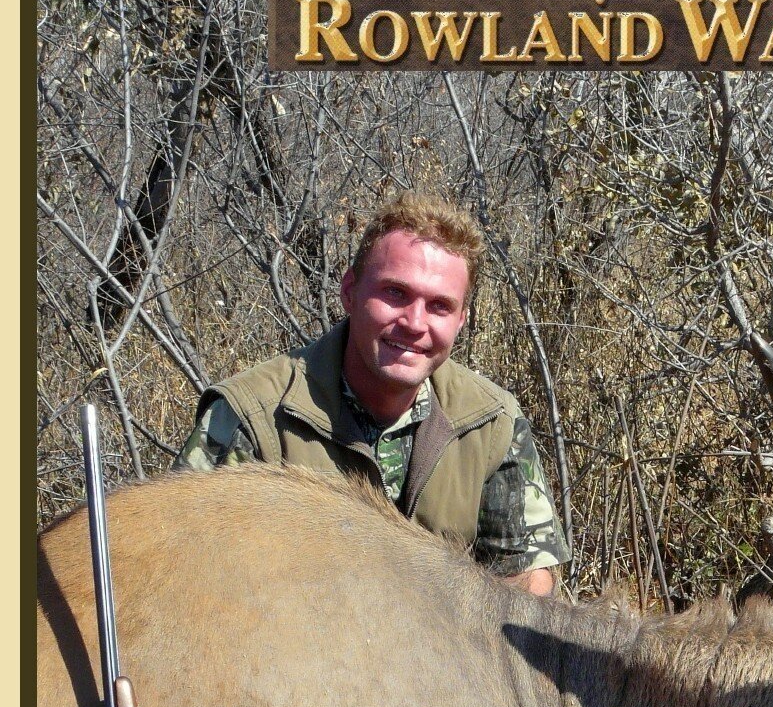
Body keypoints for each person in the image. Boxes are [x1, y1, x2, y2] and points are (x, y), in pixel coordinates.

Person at [175, 192, 569, 595]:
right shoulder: (251, 415)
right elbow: (181, 572)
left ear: (462, 320)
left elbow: (526, 586)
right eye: (395, 293)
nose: (415, 323)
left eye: (439, 306)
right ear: (350, 292)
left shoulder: (492, 420)